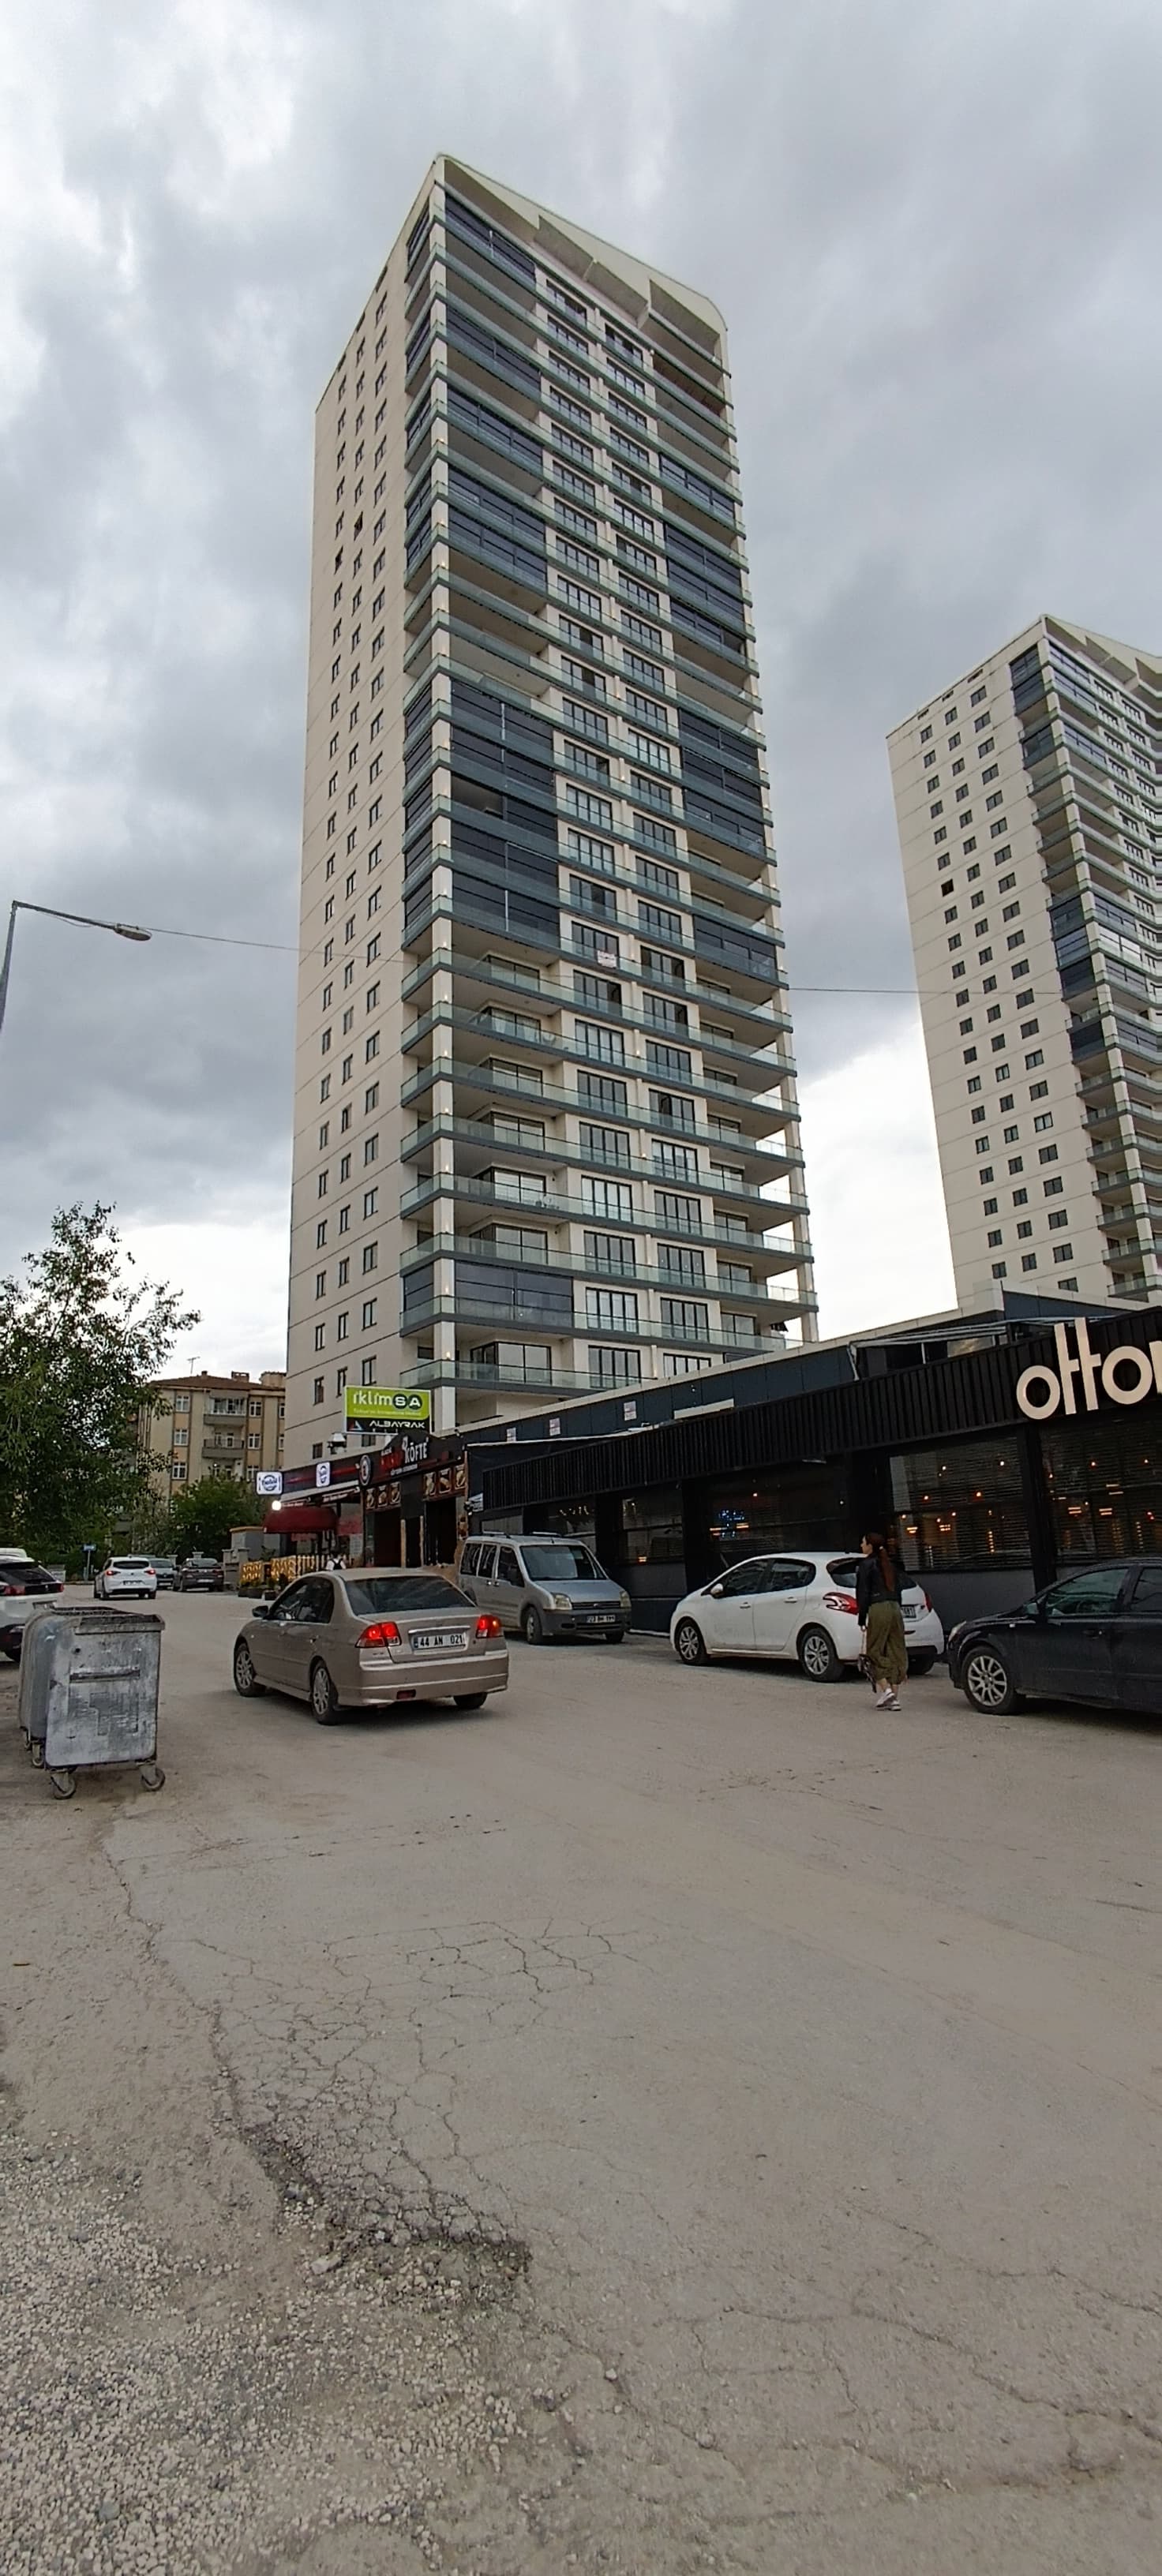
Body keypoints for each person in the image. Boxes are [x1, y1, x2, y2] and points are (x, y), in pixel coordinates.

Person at [856, 1531, 907, 1711]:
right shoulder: (890, 1564)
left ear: (870, 1546)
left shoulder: (866, 1565)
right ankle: (894, 1697)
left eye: (863, 1543)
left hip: (878, 1607)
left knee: (874, 1651)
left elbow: (863, 1593)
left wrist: (862, 1617)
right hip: (895, 1608)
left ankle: (887, 1691)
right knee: (896, 1650)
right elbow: (898, 1589)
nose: (861, 1546)